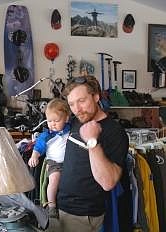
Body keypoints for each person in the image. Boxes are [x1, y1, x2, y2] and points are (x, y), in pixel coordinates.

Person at [54, 76, 129, 232]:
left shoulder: (115, 132)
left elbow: (108, 182)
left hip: (83, 215)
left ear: (96, 96)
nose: (77, 109)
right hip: (62, 206)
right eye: (71, 104)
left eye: (81, 101)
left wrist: (92, 142)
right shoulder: (76, 121)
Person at [28, 98, 70, 219]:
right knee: (54, 180)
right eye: (49, 121)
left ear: (66, 118)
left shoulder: (70, 128)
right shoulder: (47, 135)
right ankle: (51, 205)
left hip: (68, 162)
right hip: (54, 162)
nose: (52, 124)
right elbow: (38, 147)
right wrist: (34, 156)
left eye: (56, 120)